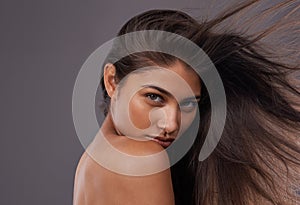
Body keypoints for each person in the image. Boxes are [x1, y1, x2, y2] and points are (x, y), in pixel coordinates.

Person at [73, 1, 300, 204]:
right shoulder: (142, 159)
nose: (171, 124)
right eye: (154, 97)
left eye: (188, 105)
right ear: (112, 81)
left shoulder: (90, 163)